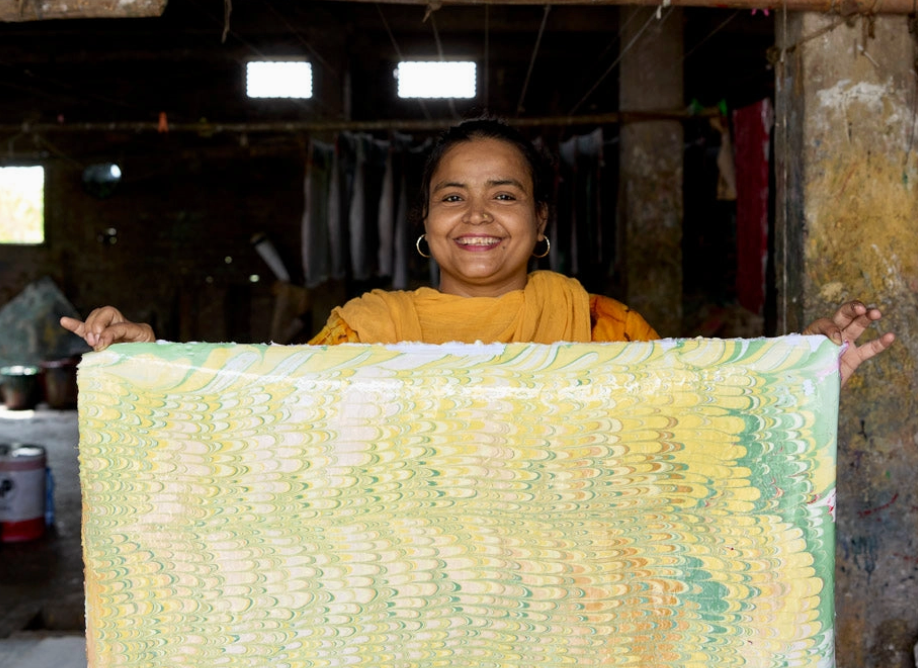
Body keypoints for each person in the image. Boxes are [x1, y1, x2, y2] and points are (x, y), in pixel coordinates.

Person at [61, 118, 894, 386]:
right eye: (453, 196)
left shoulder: (590, 319)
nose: (478, 216)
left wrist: (805, 368)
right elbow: (269, 402)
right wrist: (152, 361)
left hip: (566, 584)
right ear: (425, 223)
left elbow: (694, 399)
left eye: (505, 195)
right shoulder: (371, 324)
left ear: (539, 224)